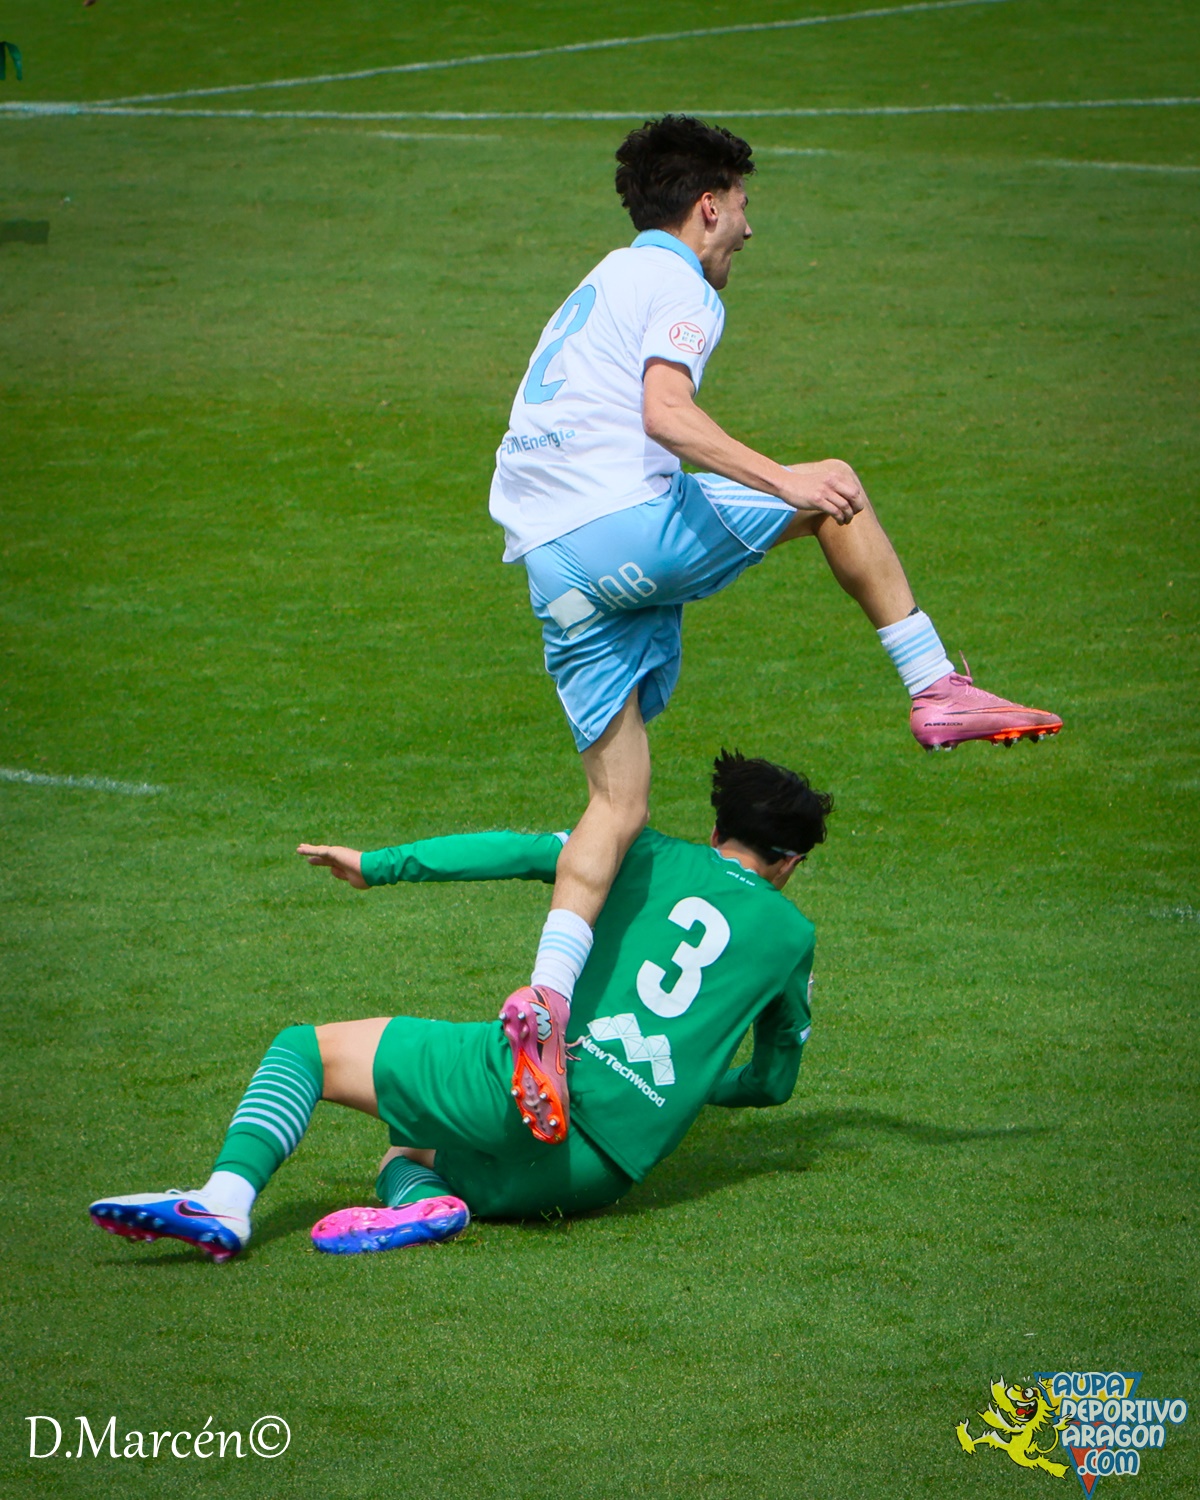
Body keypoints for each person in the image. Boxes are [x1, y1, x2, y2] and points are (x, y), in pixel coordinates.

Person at [487, 114, 1061, 1143]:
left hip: (547, 562)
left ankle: (547, 1006)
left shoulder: (603, 279)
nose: (749, 229)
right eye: (744, 206)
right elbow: (667, 413)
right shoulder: (680, 284)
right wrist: (783, 478)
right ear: (708, 205)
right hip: (616, 526)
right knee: (834, 488)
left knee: (617, 805)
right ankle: (935, 685)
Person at [88, 752, 827, 1260]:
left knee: (304, 1051)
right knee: (410, 1150)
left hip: (526, 1086)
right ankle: (430, 1204)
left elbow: (513, 851)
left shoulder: (647, 851)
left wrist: (376, 865)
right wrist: (691, 1084)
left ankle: (224, 1199)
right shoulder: (794, 938)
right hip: (593, 1175)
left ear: (716, 832)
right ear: (790, 863)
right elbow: (772, 1084)